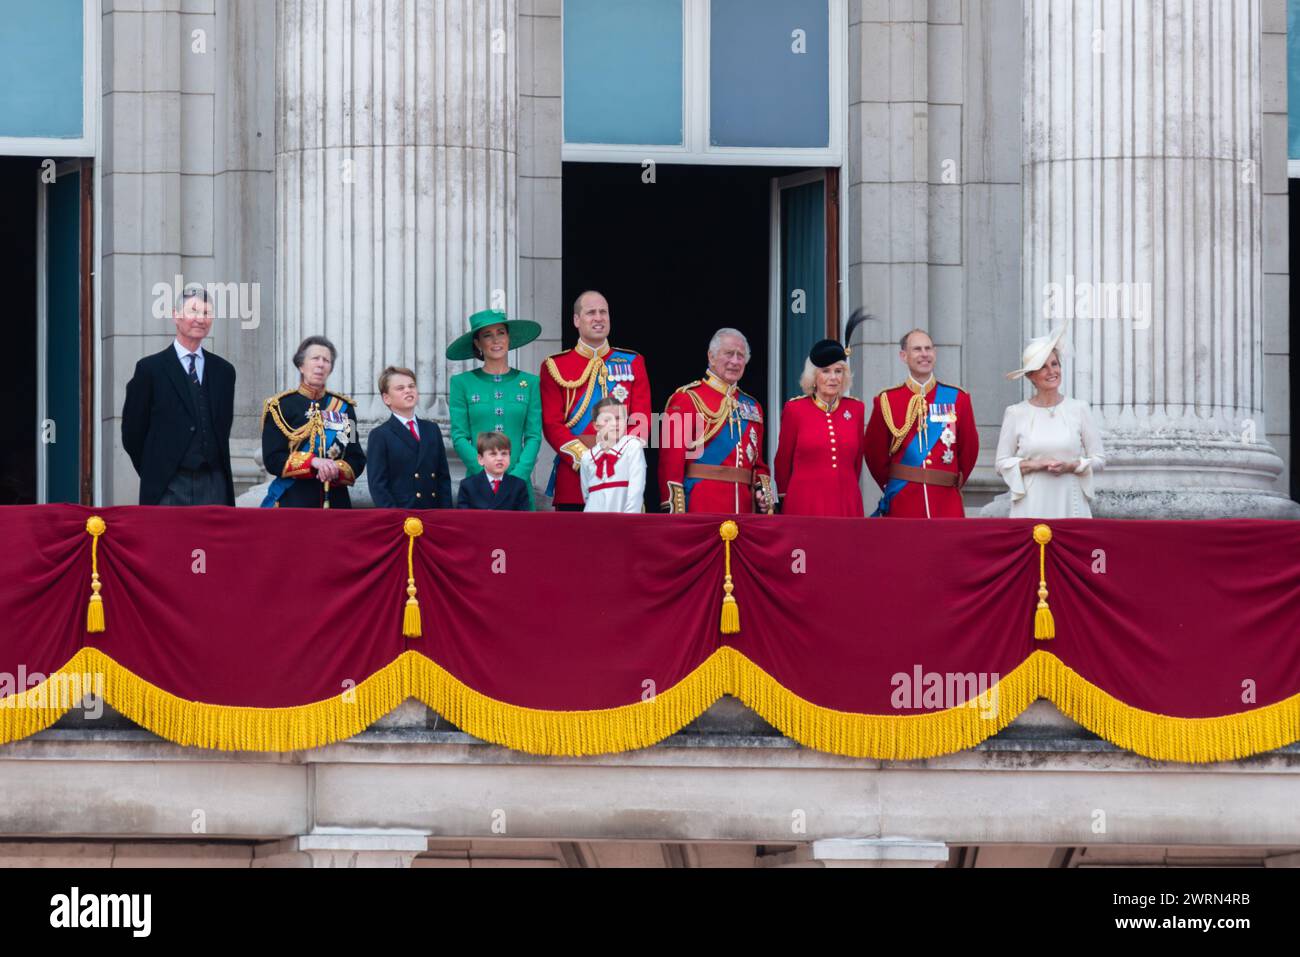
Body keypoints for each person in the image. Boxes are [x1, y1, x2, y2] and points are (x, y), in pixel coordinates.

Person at [121, 284, 236, 505]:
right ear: (176, 316)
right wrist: (155, 470)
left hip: (214, 484)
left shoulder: (224, 371)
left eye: (206, 313)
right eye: (193, 311)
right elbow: (132, 432)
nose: (200, 319)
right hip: (168, 485)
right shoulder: (150, 369)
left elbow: (223, 426)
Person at [540, 291, 651, 511]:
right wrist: (588, 459)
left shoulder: (634, 362)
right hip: (575, 476)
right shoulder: (555, 366)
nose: (598, 318)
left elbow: (641, 419)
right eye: (591, 312)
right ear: (576, 320)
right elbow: (551, 424)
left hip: (623, 478)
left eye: (603, 312)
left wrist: (621, 459)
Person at [658, 328, 774, 515]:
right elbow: (670, 461)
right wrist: (673, 508)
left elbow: (758, 463)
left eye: (741, 356)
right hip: (700, 505)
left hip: (744, 510)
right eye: (729, 354)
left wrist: (762, 491)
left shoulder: (752, 406)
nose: (735, 361)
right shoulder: (686, 399)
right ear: (711, 357)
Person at [864, 329, 978, 517]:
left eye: (928, 348)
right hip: (904, 500)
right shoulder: (887, 400)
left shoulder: (958, 398)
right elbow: (874, 453)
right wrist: (895, 484)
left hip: (945, 502)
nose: (924, 354)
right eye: (917, 349)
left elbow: (969, 450)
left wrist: (947, 480)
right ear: (904, 356)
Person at [994, 325, 1105, 518]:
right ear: (1031, 376)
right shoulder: (1015, 413)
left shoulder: (1079, 409)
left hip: (1071, 503)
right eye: (1042, 367)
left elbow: (1099, 460)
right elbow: (1001, 464)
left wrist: (1071, 466)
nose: (1051, 371)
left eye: (1055, 364)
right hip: (1031, 505)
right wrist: (1037, 465)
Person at [773, 314, 871, 517]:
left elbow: (857, 461)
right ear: (814, 377)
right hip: (804, 501)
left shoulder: (855, 409)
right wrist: (784, 499)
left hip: (846, 500)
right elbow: (782, 461)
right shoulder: (795, 410)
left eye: (838, 371)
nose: (833, 377)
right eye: (826, 371)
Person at [448, 309, 543, 509]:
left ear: (509, 338)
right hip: (478, 485)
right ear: (477, 343)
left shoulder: (530, 382)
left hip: (519, 484)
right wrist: (483, 472)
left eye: (501, 332)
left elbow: (533, 435)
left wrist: (518, 476)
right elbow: (459, 436)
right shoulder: (461, 383)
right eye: (487, 335)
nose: (495, 340)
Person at [260, 335, 366, 508]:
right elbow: (273, 459)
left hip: (335, 502)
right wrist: (313, 462)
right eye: (315, 358)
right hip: (294, 502)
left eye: (326, 360)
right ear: (301, 365)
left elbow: (356, 457)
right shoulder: (280, 406)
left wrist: (335, 468)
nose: (321, 364)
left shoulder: (345, 408)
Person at [366, 366, 452, 510]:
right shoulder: (380, 435)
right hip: (402, 517)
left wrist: (445, 514)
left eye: (411, 386)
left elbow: (443, 478)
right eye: (400, 388)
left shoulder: (432, 429)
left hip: (433, 513)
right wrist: (395, 517)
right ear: (386, 398)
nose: (408, 390)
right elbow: (378, 486)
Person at [580, 397, 646, 513]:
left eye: (618, 418)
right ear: (596, 425)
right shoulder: (587, 457)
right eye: (607, 420)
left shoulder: (632, 446)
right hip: (593, 522)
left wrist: (629, 519)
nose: (614, 424)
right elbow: (587, 495)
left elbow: (636, 489)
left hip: (623, 521)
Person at [457, 432, 530, 510]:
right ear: (481, 459)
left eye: (504, 454)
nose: (499, 458)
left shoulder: (518, 486)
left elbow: (522, 519)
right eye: (493, 454)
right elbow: (463, 519)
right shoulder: (468, 486)